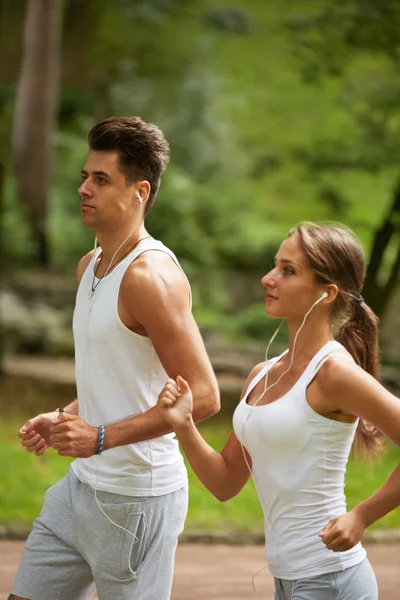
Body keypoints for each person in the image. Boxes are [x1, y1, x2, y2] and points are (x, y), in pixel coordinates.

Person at [10, 116, 220, 600]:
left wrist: (100, 437)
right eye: (85, 176)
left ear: (139, 192)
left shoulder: (150, 278)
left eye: (101, 179)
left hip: (136, 500)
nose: (84, 188)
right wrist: (67, 416)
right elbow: (118, 375)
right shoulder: (92, 265)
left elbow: (204, 397)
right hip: (78, 488)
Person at [157, 222, 400, 600]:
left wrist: (362, 516)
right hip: (287, 582)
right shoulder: (262, 376)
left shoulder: (335, 373)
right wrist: (185, 426)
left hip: (331, 579)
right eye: (275, 265)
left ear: (326, 293)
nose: (268, 279)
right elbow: (225, 484)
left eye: (288, 271)